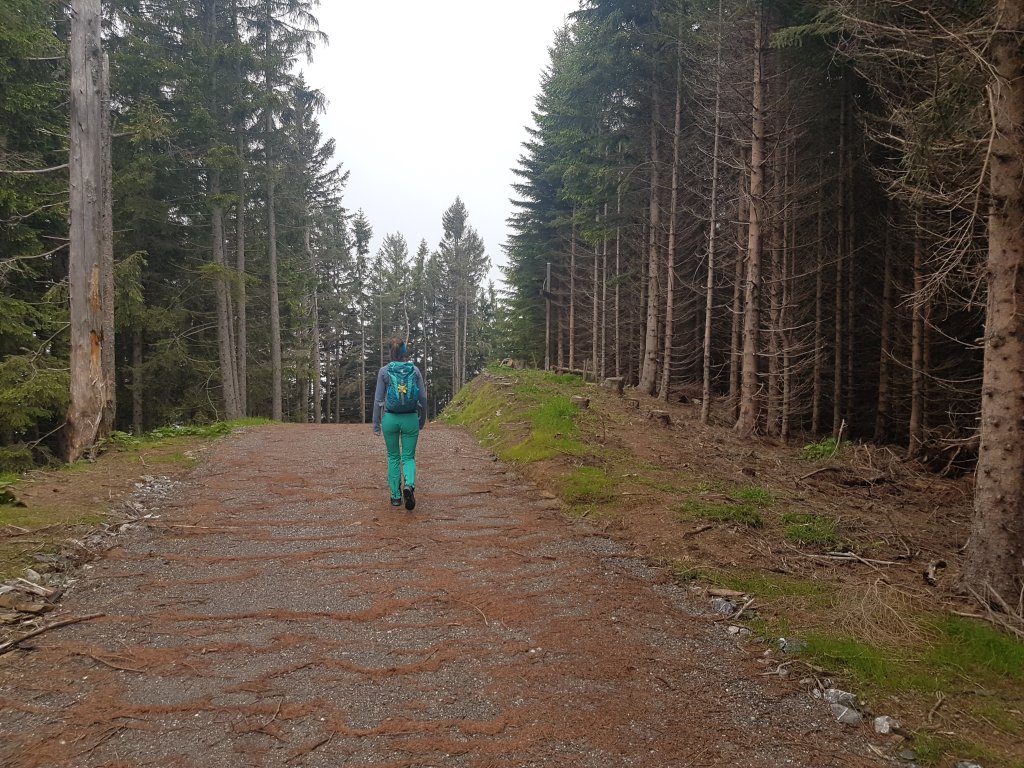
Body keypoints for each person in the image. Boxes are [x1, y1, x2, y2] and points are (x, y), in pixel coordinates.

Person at [372, 337, 428, 510]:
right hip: (410, 418)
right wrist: (422, 420)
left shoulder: (384, 371)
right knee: (408, 457)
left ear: (391, 352)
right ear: (405, 352)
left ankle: (396, 496)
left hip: (390, 419)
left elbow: (378, 400)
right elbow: (423, 398)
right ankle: (409, 485)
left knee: (393, 457)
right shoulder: (414, 370)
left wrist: (376, 424)